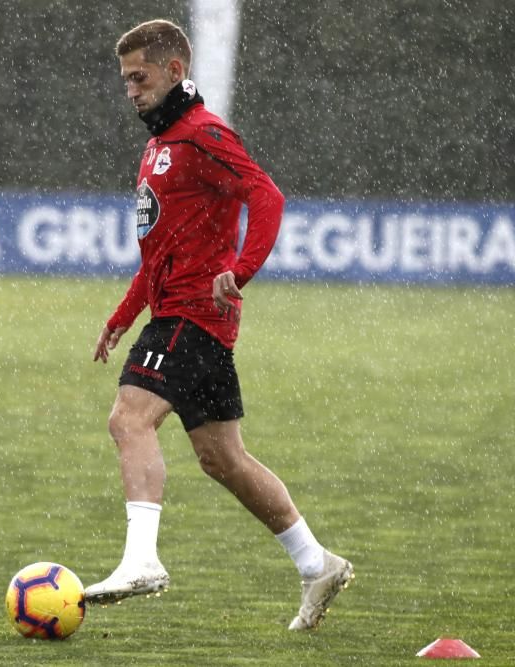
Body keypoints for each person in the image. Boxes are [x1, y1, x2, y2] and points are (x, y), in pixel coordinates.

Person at [86, 19, 354, 631]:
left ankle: (141, 560)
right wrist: (122, 317)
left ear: (174, 71)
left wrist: (243, 267)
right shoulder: (160, 144)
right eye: (125, 80)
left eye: (140, 77)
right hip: (183, 316)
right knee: (222, 458)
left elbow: (266, 195)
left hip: (191, 316)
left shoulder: (202, 133)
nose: (130, 90)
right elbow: (160, 252)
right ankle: (317, 563)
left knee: (129, 419)